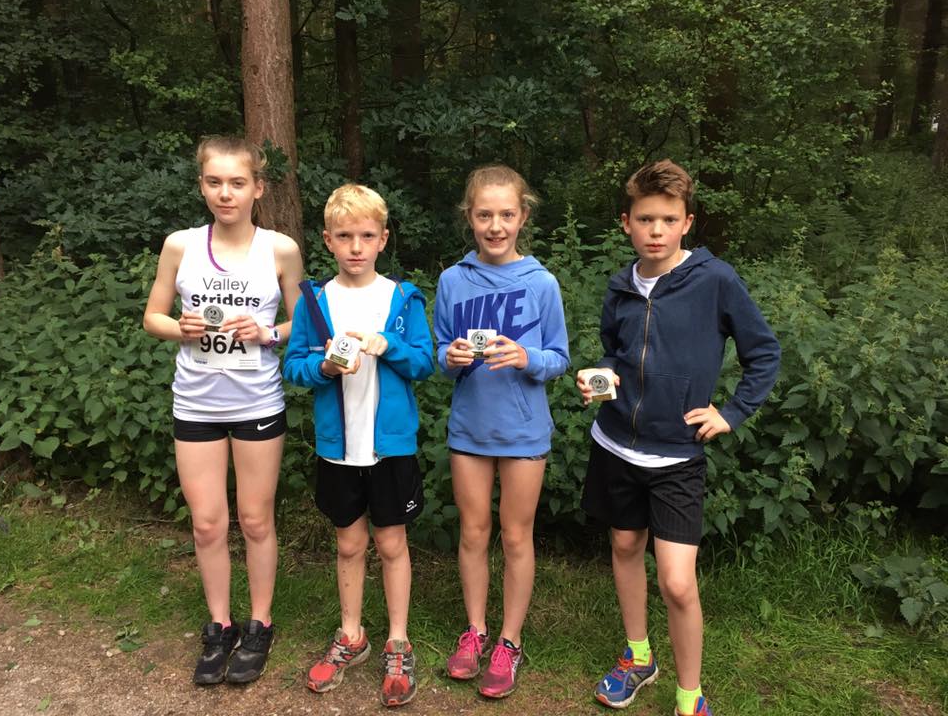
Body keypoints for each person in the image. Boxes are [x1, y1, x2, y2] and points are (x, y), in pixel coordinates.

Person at [578, 159, 780, 716]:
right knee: (624, 547)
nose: (656, 231)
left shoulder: (716, 281)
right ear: (626, 223)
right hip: (615, 443)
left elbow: (764, 352)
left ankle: (690, 697)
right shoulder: (620, 285)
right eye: (645, 219)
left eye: (668, 220)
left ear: (687, 223)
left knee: (676, 582)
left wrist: (732, 412)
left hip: (676, 457)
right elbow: (614, 351)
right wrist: (600, 375)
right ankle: (638, 656)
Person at [143, 135, 302, 685]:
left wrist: (266, 333)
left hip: (257, 401)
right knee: (208, 523)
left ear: (259, 188)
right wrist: (179, 327)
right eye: (215, 182)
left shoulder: (280, 249)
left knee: (255, 520)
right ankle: (220, 625)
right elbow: (153, 317)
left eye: (237, 183)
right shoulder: (180, 245)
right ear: (202, 186)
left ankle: (260, 624)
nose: (225, 193)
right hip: (195, 403)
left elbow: (304, 325)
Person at [282, 184, 433, 708]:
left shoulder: (402, 298)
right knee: (349, 545)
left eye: (367, 236)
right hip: (338, 449)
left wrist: (389, 346)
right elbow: (294, 366)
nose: (355, 247)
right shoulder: (315, 300)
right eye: (344, 236)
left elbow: (424, 362)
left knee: (391, 545)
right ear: (327, 240)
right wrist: (323, 367)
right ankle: (352, 635)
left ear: (383, 239)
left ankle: (398, 641)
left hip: (390, 448)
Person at [434, 165, 570, 699]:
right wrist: (450, 357)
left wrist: (526, 357)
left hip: (524, 430)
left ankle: (510, 641)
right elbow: (441, 353)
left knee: (516, 535)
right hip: (470, 428)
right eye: (484, 215)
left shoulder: (541, 283)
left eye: (506, 214)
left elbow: (558, 357)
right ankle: (475, 631)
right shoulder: (452, 280)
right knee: (473, 532)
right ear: (469, 217)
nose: (495, 226)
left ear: (523, 216)